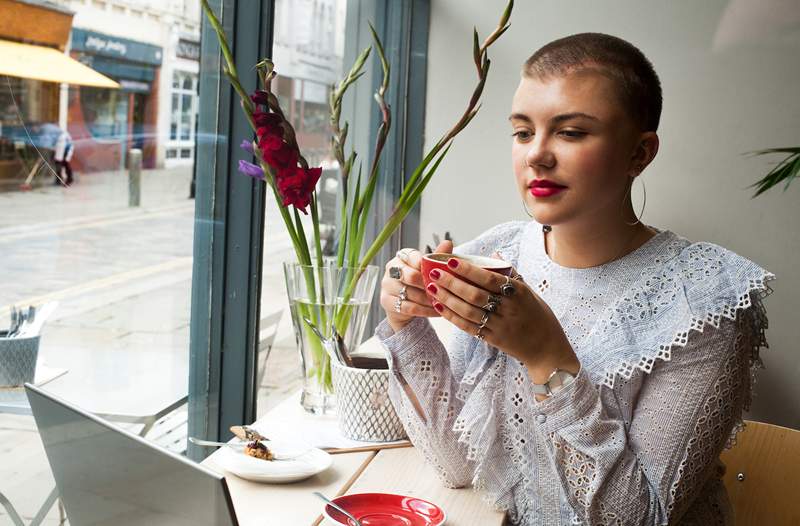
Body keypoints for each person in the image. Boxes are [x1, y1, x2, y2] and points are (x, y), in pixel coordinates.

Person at [377, 33, 774, 525]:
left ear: (640, 153)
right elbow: (457, 465)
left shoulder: (706, 299)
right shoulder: (498, 255)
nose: (536, 156)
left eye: (570, 133)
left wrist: (547, 357)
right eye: (523, 133)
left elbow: (637, 518)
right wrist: (404, 324)